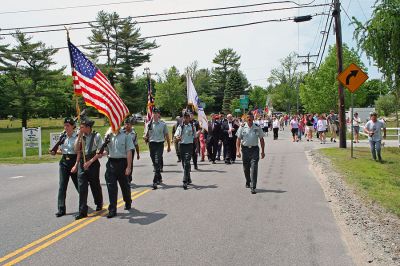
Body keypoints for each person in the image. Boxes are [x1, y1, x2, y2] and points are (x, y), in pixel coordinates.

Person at [74, 118, 104, 220]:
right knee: (82, 187)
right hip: (82, 162)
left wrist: (90, 162)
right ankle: (82, 211)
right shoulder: (81, 136)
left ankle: (99, 203)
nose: (80, 128)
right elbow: (75, 149)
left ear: (88, 127)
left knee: (94, 184)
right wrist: (78, 136)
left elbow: (100, 151)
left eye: (82, 127)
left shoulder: (97, 136)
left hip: (93, 161)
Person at [103, 127, 134, 218]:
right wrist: (101, 153)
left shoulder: (126, 135)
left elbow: (129, 151)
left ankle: (128, 200)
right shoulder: (108, 135)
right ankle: (112, 209)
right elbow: (106, 150)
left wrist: (128, 167)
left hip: (122, 163)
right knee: (111, 187)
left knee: (125, 186)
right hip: (111, 163)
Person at [53, 117, 80, 218]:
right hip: (64, 162)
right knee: (62, 186)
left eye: (68, 125)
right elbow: (61, 150)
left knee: (79, 186)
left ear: (73, 126)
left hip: (73, 161)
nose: (66, 127)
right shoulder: (62, 136)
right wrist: (54, 152)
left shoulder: (77, 137)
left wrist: (76, 165)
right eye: (65, 125)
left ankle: (82, 207)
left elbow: (79, 153)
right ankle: (61, 209)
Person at [236, 111, 265, 194]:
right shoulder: (242, 127)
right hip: (245, 150)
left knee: (254, 167)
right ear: (246, 118)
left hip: (254, 150)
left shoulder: (257, 127)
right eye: (248, 118)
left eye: (251, 118)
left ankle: (253, 186)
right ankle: (248, 180)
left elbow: (262, 139)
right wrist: (238, 151)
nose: (249, 119)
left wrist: (263, 151)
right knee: (246, 168)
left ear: (253, 118)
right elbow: (238, 139)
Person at [143, 108, 171, 189]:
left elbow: (167, 135)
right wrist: (145, 137)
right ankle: (159, 177)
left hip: (159, 144)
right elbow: (146, 135)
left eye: (156, 113)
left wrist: (169, 146)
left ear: (159, 114)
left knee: (157, 160)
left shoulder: (163, 124)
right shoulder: (149, 124)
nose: (154, 114)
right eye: (153, 113)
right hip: (151, 144)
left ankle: (155, 181)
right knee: (154, 162)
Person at [174, 112, 195, 190]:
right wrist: (178, 137)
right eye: (185, 117)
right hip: (182, 146)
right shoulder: (180, 126)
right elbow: (176, 135)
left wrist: (196, 148)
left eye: (187, 117)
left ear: (189, 118)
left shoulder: (192, 126)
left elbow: (195, 137)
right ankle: (188, 177)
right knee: (184, 163)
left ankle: (184, 180)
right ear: (183, 118)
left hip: (189, 146)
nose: (186, 119)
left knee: (187, 162)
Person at [124, 117, 140, 184]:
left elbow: (136, 144)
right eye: (125, 124)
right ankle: (125, 177)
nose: (126, 125)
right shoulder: (122, 132)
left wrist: (138, 154)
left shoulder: (134, 134)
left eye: (128, 124)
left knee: (130, 164)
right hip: (123, 150)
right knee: (124, 164)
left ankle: (129, 178)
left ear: (131, 125)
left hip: (131, 151)